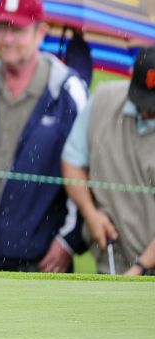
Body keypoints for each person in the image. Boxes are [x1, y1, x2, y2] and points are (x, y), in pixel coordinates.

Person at [0, 0, 86, 272]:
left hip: (42, 264)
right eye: (1, 28)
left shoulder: (67, 93)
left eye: (18, 29)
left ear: (41, 32)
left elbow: (88, 171)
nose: (8, 39)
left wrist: (68, 241)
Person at [61, 46, 155, 276]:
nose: (148, 112)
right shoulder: (103, 99)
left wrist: (141, 266)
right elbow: (72, 162)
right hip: (112, 265)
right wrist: (90, 212)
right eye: (144, 100)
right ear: (132, 77)